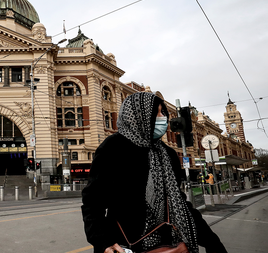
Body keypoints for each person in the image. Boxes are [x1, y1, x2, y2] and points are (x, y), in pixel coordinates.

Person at [81, 92, 227, 253]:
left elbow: (180, 204)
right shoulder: (114, 147)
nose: (162, 117)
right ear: (138, 115)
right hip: (125, 244)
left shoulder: (167, 153)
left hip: (170, 242)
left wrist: (214, 243)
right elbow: (93, 202)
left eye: (163, 112)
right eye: (156, 112)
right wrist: (104, 242)